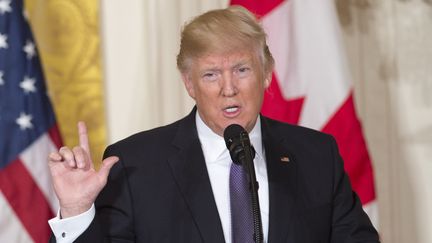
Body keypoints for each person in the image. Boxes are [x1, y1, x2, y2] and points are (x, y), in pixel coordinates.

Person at [47, 6, 379, 243]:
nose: (228, 88)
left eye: (242, 70)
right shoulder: (136, 165)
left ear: (266, 73)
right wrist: (76, 211)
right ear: (189, 84)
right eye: (210, 75)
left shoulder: (316, 156)